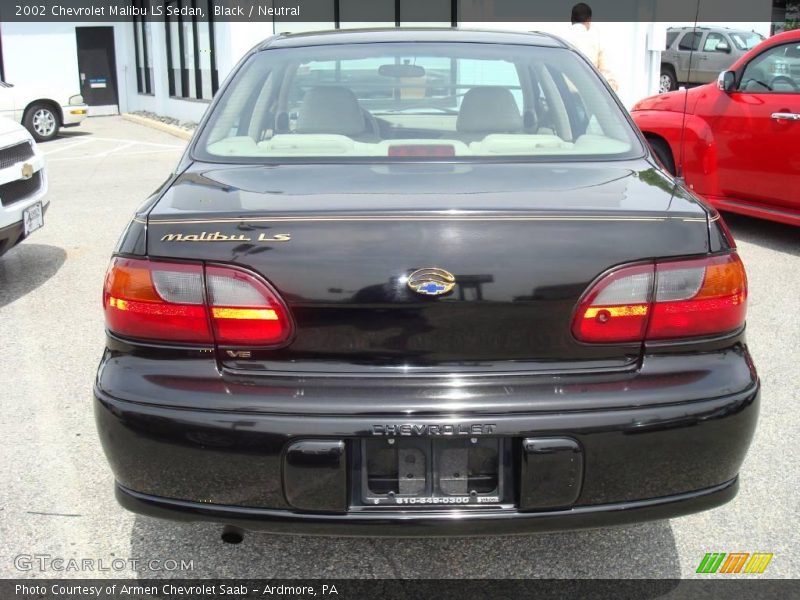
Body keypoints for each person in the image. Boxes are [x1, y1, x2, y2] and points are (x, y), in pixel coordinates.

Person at [566, 3, 619, 92]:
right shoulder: (596, 39)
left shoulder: (559, 38)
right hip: (588, 95)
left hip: (562, 95)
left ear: (572, 19)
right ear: (588, 20)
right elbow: (606, 74)